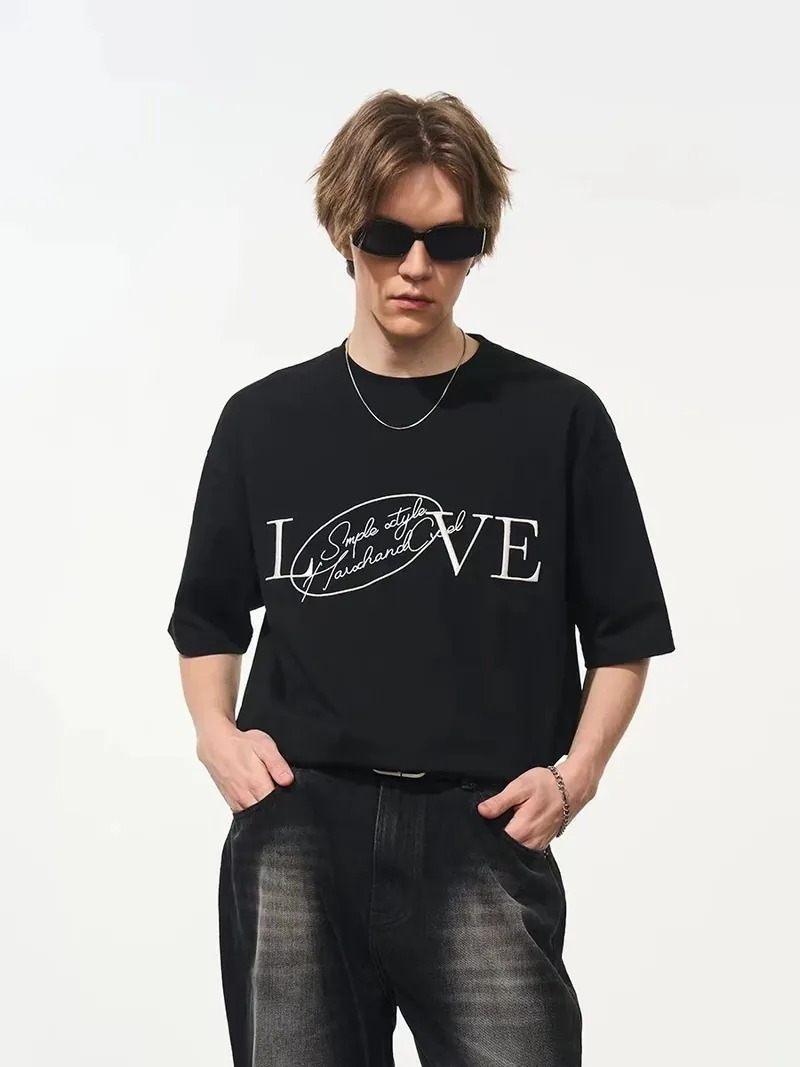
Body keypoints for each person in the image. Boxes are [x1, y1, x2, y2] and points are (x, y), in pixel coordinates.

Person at [166, 89, 675, 1067]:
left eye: (448, 241)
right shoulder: (264, 421)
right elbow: (206, 617)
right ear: (343, 231)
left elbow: (624, 633)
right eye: (387, 236)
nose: (414, 266)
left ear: (477, 246)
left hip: (483, 829)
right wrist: (216, 735)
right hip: (299, 829)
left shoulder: (555, 418)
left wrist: (575, 776)